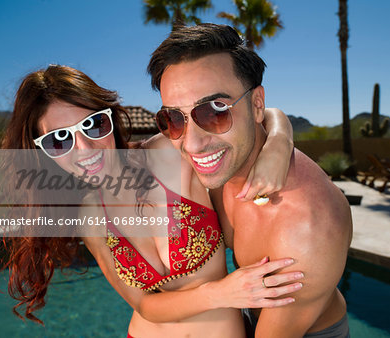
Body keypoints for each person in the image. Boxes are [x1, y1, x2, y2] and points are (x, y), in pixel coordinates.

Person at [0, 65, 302, 337]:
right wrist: (223, 292)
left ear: (110, 119)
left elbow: (263, 114)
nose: (85, 147)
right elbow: (144, 304)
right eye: (59, 140)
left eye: (93, 124)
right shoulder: (90, 215)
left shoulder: (166, 153)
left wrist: (278, 144)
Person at [147, 23, 353, 337]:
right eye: (173, 118)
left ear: (256, 104)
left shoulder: (305, 230)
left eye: (215, 111)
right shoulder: (225, 164)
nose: (191, 144)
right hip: (246, 307)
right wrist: (280, 137)